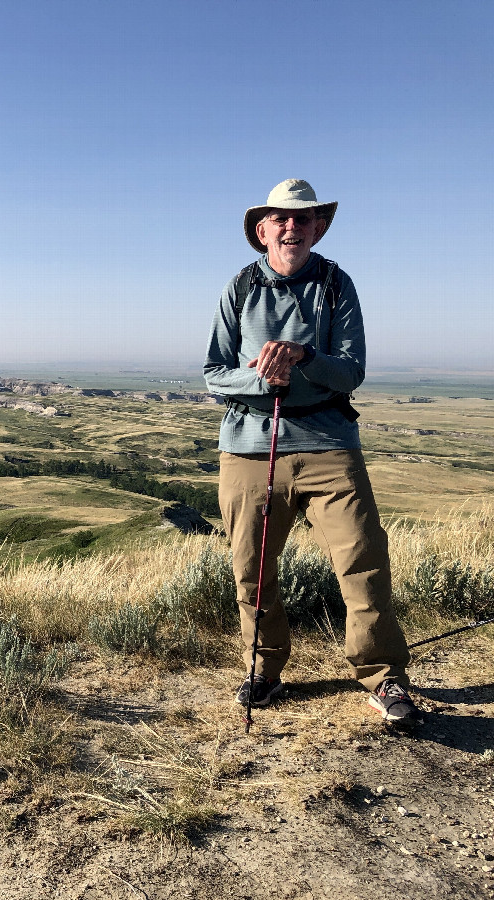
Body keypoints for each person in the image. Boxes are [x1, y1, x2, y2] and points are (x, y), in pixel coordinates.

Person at [203, 179, 418, 725]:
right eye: (281, 219)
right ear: (262, 231)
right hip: (253, 448)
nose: (293, 227)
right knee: (251, 569)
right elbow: (214, 373)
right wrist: (261, 380)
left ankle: (383, 676)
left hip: (329, 445)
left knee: (362, 561)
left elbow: (352, 370)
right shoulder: (239, 287)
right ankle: (264, 669)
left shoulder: (336, 285)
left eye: (304, 219)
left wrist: (303, 357)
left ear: (319, 228)